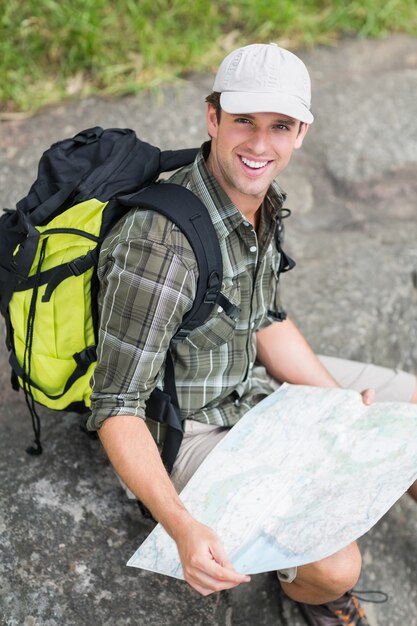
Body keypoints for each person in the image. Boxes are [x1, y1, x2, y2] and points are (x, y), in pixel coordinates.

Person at [87, 43, 417, 626]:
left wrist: (340, 403)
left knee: (409, 411)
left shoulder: (260, 202)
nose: (260, 146)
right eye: (243, 121)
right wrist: (184, 527)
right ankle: (315, 600)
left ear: (301, 133)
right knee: (337, 567)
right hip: (190, 427)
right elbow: (117, 407)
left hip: (254, 385)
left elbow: (266, 318)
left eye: (279, 126)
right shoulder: (157, 249)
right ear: (212, 117)